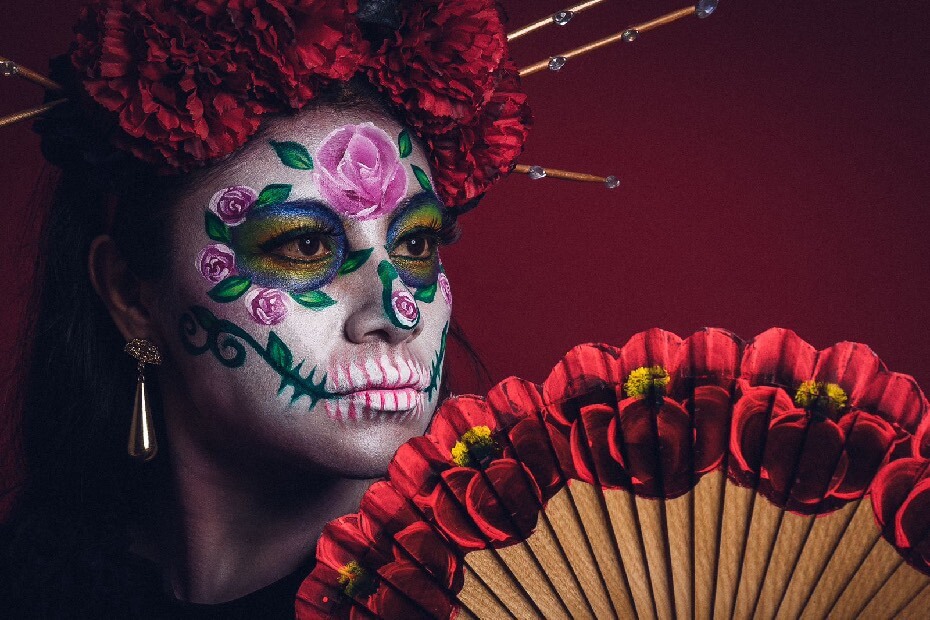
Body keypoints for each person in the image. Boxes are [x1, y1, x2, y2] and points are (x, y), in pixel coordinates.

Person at [0, 0, 529, 616]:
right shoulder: (33, 580)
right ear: (130, 295)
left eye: (415, 243)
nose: (395, 310)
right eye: (304, 245)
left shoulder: (501, 593)